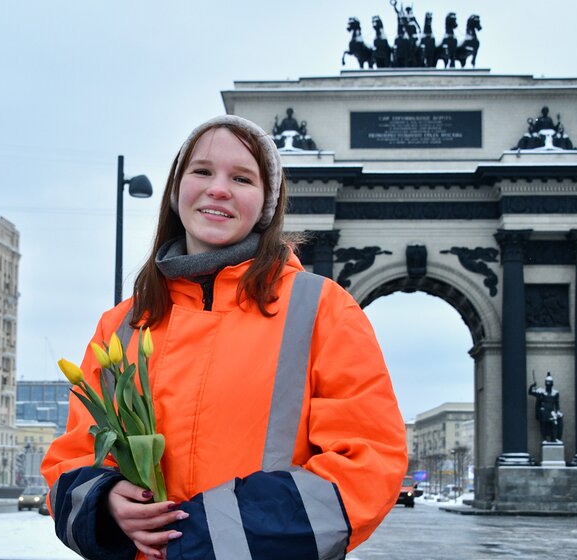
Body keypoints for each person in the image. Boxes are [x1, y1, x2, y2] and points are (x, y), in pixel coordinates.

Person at [41, 115, 408, 560]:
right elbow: (73, 457)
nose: (218, 188)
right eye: (202, 171)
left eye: (241, 178)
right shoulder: (120, 324)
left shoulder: (323, 309)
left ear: (266, 204)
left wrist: (205, 537)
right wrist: (106, 501)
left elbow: (367, 465)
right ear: (177, 190)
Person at [528, 372, 564, 443]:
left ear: (552, 384)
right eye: (547, 383)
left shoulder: (555, 393)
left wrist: (558, 411)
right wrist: (532, 386)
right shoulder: (541, 392)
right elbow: (530, 392)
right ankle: (544, 439)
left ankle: (555, 439)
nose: (548, 385)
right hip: (544, 411)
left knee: (555, 423)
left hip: (551, 411)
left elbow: (556, 404)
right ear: (545, 384)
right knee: (543, 422)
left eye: (550, 383)